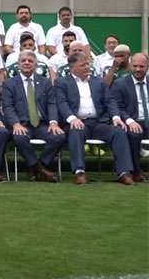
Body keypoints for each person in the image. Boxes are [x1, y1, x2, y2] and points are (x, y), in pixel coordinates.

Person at [54, 52, 133, 185]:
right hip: (77, 122)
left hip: (98, 123)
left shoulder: (98, 82)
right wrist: (72, 118)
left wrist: (116, 117)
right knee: (75, 131)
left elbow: (110, 100)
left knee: (118, 132)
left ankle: (124, 172)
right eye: (83, 65)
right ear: (73, 67)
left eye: (88, 64)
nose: (87, 67)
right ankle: (79, 172)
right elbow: (62, 103)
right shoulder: (62, 82)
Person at [1, 50, 64, 182]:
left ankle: (38, 167)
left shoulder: (45, 82)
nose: (27, 63)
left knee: (59, 136)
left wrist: (53, 122)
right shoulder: (9, 84)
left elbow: (52, 103)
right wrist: (16, 124)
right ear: (18, 64)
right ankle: (39, 168)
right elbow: (8, 107)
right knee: (19, 137)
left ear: (36, 65)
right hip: (22, 124)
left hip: (42, 124)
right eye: (23, 60)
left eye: (30, 61)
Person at [111, 52, 149, 182]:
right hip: (133, 121)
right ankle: (136, 171)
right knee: (133, 134)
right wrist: (130, 121)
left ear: (147, 66)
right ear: (130, 66)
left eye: (142, 66)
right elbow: (118, 107)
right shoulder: (120, 84)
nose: (138, 69)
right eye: (135, 66)